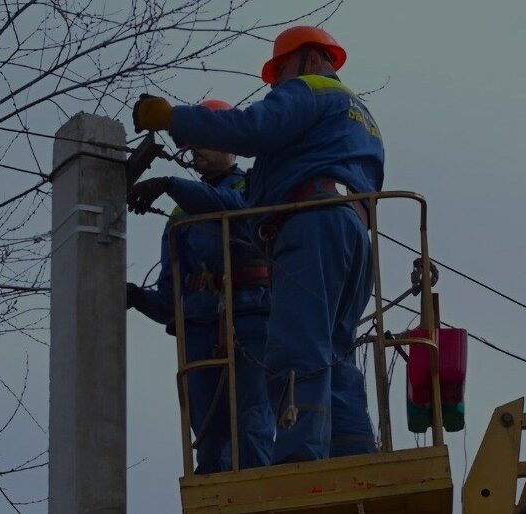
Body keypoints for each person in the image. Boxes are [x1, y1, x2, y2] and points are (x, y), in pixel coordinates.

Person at [131, 26, 384, 463]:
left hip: (312, 224)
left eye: (280, 70)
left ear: (310, 59)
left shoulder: (310, 90)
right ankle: (353, 456)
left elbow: (251, 128)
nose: (276, 84)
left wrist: (172, 117)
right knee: (335, 352)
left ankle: (299, 461)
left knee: (299, 345)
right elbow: (246, 210)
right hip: (352, 230)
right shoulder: (358, 119)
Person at [125, 99, 274, 473]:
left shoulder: (255, 186)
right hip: (200, 329)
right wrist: (137, 298)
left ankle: (260, 495)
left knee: (251, 421)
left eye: (204, 142)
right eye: (192, 147)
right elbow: (170, 299)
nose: (197, 153)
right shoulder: (179, 216)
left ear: (229, 144)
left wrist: (171, 185)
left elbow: (234, 212)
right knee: (207, 434)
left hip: (251, 317)